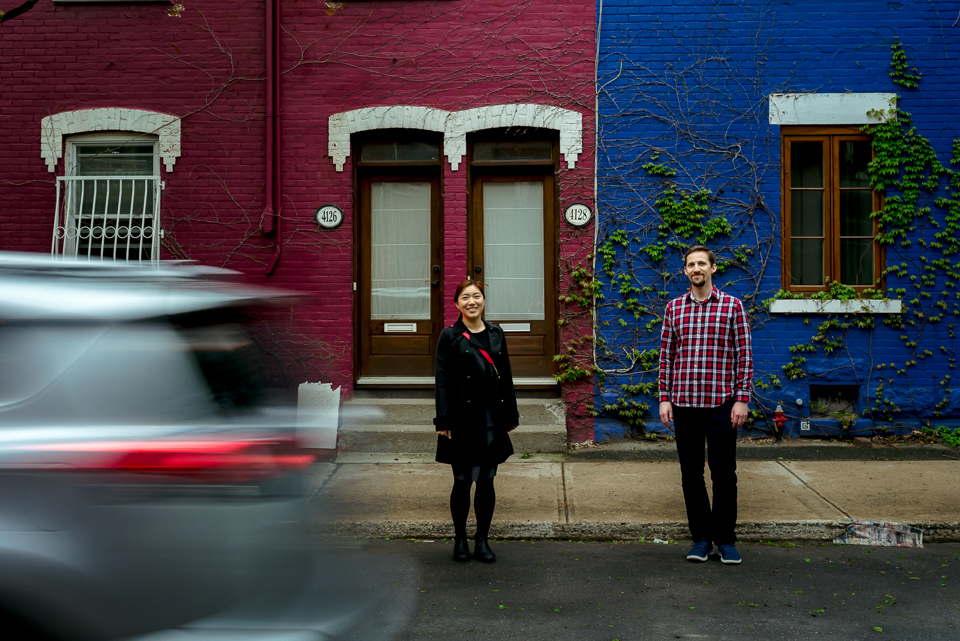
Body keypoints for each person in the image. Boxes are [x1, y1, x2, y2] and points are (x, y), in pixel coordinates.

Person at [658, 245, 752, 565]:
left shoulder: (732, 307)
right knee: (691, 474)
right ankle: (700, 539)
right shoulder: (674, 309)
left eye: (701, 263)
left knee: (724, 474)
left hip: (722, 405)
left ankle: (725, 540)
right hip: (684, 405)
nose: (696, 268)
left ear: (713, 268)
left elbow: (745, 357)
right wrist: (664, 398)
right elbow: (666, 358)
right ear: (685, 271)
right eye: (690, 264)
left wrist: (741, 399)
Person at [434, 279, 519, 563]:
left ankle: (482, 539)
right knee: (462, 480)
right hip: (460, 419)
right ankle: (460, 539)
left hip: (491, 418)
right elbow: (442, 381)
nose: (472, 302)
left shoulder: (496, 333)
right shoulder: (449, 335)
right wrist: (442, 419)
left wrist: (511, 413)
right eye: (465, 297)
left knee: (487, 480)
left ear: (483, 300)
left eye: (477, 296)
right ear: (457, 303)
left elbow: (505, 374)